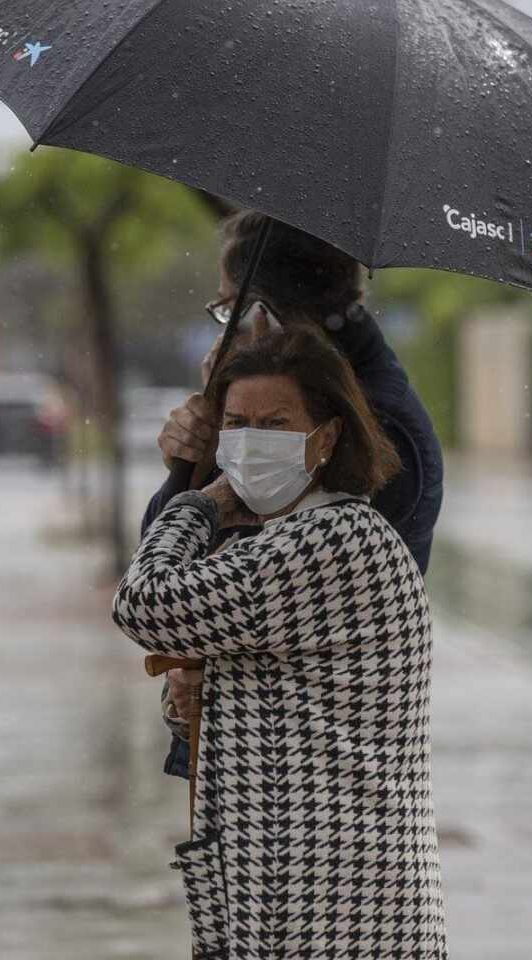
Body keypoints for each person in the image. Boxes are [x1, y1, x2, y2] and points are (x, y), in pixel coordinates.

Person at [113, 326, 448, 956]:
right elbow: (269, 692)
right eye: (235, 422)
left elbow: (143, 603)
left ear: (326, 437)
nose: (250, 441)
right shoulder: (282, 541)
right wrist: (193, 698)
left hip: (333, 905)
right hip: (285, 893)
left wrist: (199, 502)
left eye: (275, 422)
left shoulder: (331, 541)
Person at [142, 211, 444, 778]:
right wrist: (189, 463)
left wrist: (202, 483)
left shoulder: (371, 428)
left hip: (312, 772)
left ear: (267, 313)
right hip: (262, 761)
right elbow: (174, 574)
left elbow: (171, 599)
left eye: (229, 308)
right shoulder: (286, 402)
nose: (224, 327)